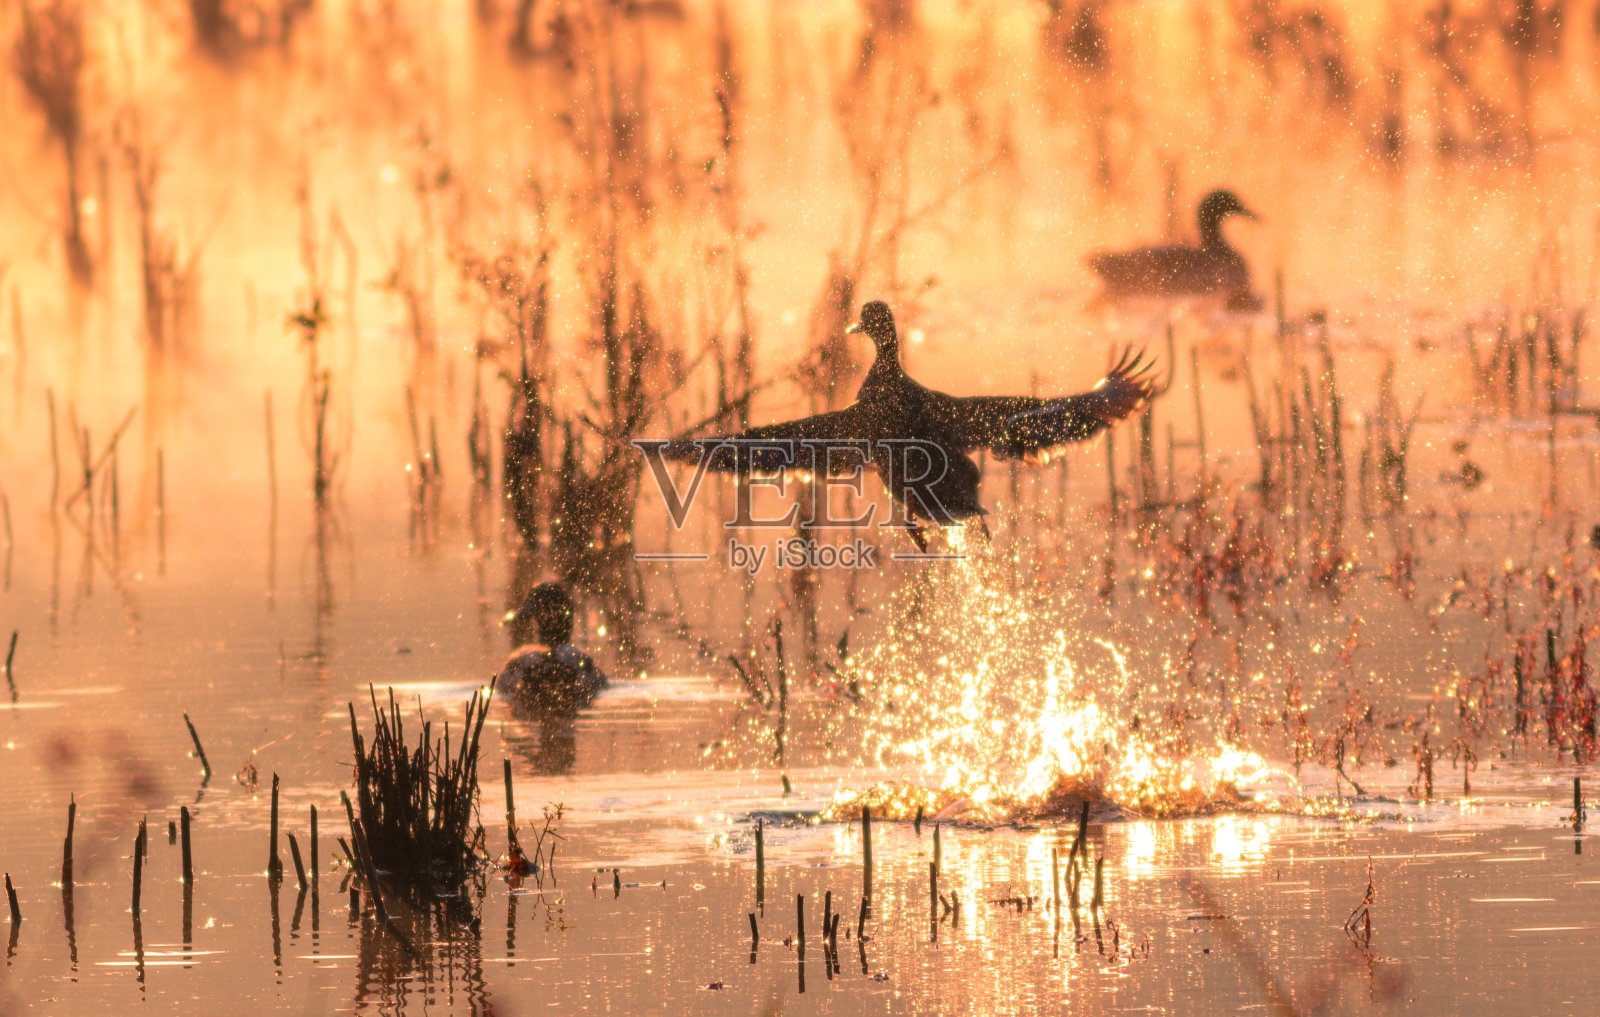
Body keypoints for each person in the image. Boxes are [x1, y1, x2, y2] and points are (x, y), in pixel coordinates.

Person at [499, 583, 608, 716]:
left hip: (531, 687)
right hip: (570, 687)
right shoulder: (581, 660)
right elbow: (600, 687)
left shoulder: (521, 658)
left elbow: (503, 689)